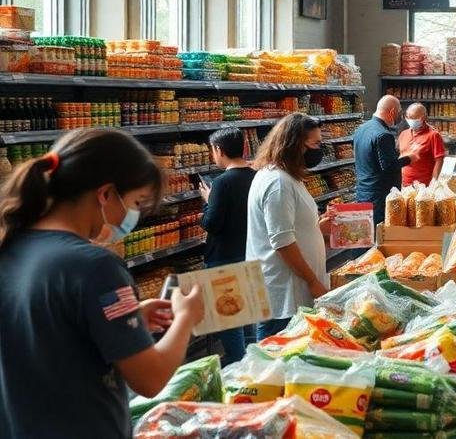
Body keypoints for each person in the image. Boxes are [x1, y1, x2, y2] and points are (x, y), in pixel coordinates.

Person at [0, 129, 205, 438]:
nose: (134, 214)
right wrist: (187, 317)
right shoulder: (95, 267)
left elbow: (47, 335)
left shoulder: (11, 245)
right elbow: (150, 379)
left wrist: (129, 319)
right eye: (137, 202)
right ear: (106, 194)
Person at [246, 113, 334, 340]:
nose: (319, 150)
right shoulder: (278, 183)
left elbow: (289, 226)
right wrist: (313, 281)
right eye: (315, 144)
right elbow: (282, 241)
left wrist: (317, 228)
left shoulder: (287, 177)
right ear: (295, 145)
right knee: (276, 361)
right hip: (284, 294)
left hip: (292, 289)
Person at [198, 128, 256, 364]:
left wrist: (207, 201)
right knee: (248, 311)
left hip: (224, 256)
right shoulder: (255, 176)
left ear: (219, 150)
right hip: (249, 251)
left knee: (229, 314)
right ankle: (252, 356)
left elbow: (212, 223)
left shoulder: (222, 183)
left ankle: (236, 361)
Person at [352, 95, 412, 224]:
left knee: (366, 232)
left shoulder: (361, 129)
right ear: (392, 112)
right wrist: (409, 158)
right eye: (399, 112)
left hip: (363, 192)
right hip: (380, 197)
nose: (400, 117)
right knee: (380, 235)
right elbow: (389, 166)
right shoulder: (384, 135)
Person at [396, 103, 447, 187]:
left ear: (423, 117)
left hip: (424, 186)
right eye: (408, 117)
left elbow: (439, 160)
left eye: (413, 118)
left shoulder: (433, 135)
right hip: (404, 184)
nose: (410, 120)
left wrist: (433, 182)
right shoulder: (403, 134)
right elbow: (400, 155)